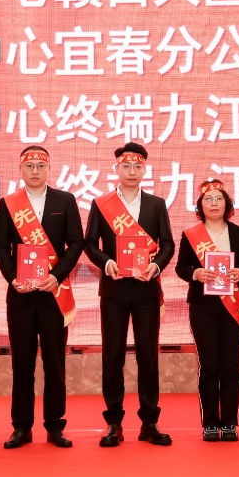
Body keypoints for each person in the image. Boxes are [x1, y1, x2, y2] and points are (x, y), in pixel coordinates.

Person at [83, 142, 176, 446]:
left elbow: (168, 244)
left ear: (144, 169)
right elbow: (90, 244)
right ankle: (114, 423)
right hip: (114, 290)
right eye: (126, 166)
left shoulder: (156, 204)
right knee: (113, 357)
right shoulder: (101, 204)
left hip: (146, 289)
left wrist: (156, 266)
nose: (132, 171)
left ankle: (149, 422)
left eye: (138, 166)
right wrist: (106, 262)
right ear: (117, 169)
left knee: (148, 357)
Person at [0, 145, 84, 449]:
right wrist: (13, 277)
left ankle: (55, 425)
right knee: (22, 362)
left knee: (54, 362)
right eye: (29, 165)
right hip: (20, 295)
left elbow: (76, 243)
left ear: (48, 169)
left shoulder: (65, 200)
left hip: (53, 294)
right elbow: (0, 246)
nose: (35, 170)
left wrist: (56, 276)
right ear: (21, 169)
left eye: (40, 165)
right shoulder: (8, 204)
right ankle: (21, 427)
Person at [175, 178, 239, 442]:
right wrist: (196, 273)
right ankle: (211, 423)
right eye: (208, 199)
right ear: (200, 205)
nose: (214, 203)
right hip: (202, 306)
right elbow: (181, 267)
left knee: (231, 366)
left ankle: (230, 422)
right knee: (209, 365)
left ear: (227, 204)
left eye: (219, 198)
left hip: (233, 305)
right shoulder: (191, 234)